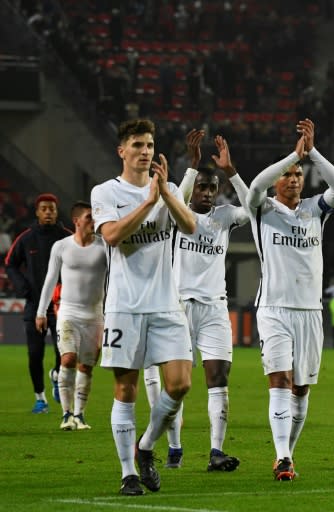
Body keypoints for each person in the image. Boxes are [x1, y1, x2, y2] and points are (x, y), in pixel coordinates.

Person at [91, 118, 197, 496]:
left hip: (167, 305)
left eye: (149, 145)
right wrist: (149, 202)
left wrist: (166, 196)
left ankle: (147, 445)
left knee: (180, 384)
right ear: (122, 151)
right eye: (137, 145)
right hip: (125, 306)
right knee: (126, 389)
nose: (145, 152)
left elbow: (190, 228)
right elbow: (113, 236)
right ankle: (127, 473)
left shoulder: (166, 189)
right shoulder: (105, 192)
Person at [245, 118, 334, 481]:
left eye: (298, 175)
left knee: (301, 388)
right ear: (277, 180)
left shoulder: (314, 210)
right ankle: (283, 457)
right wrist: (292, 154)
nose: (293, 179)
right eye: (287, 174)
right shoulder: (263, 209)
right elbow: (255, 185)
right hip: (273, 308)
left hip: (310, 311)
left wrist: (312, 152)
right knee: (280, 381)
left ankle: (289, 451)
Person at [154, 128, 249, 472]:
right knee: (177, 385)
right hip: (177, 307)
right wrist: (192, 167)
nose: (208, 193)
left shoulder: (224, 217)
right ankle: (174, 447)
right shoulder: (181, 216)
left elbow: (252, 209)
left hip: (214, 308)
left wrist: (232, 171)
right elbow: (172, 199)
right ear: (193, 188)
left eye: (213, 188)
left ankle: (216, 452)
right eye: (202, 187)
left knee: (218, 377)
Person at [36, 201, 106, 430]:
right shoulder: (62, 246)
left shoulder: (104, 246)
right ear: (76, 221)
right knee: (67, 359)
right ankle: (66, 415)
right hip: (68, 312)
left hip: (95, 315)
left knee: (86, 366)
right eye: (89, 217)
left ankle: (80, 415)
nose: (93, 221)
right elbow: (50, 279)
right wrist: (41, 312)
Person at [4, 193, 70, 414]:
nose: (48, 212)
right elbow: (10, 264)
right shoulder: (26, 238)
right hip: (34, 306)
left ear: (56, 211)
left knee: (65, 353)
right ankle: (40, 398)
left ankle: (57, 376)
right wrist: (23, 288)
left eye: (51, 208)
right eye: (44, 209)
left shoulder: (67, 238)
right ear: (37, 212)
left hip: (63, 305)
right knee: (35, 354)